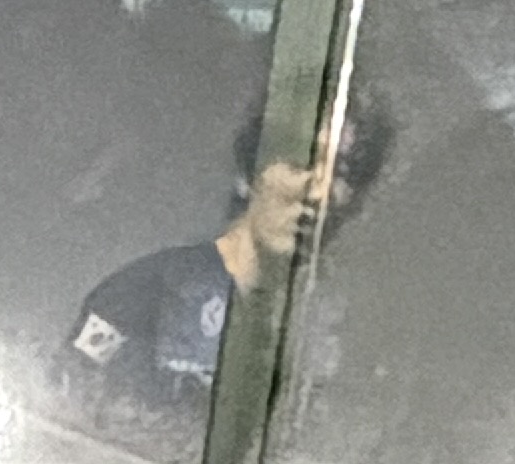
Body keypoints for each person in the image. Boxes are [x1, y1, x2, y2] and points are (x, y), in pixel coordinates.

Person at [55, 97, 390, 443]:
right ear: (251, 170)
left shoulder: (349, 344)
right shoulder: (143, 292)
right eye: (302, 160)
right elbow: (64, 405)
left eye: (342, 171)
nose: (319, 189)